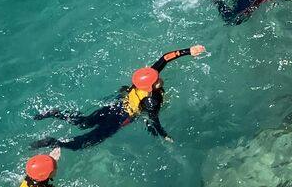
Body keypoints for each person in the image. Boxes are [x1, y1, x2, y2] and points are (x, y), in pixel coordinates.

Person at [32, 45, 206, 151]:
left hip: (114, 107)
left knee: (84, 122)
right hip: (120, 118)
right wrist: (163, 134)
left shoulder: (144, 79)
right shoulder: (151, 101)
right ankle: (55, 143)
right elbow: (154, 120)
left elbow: (165, 58)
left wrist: (189, 51)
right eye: (156, 80)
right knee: (88, 141)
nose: (159, 77)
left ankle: (55, 113)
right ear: (151, 86)